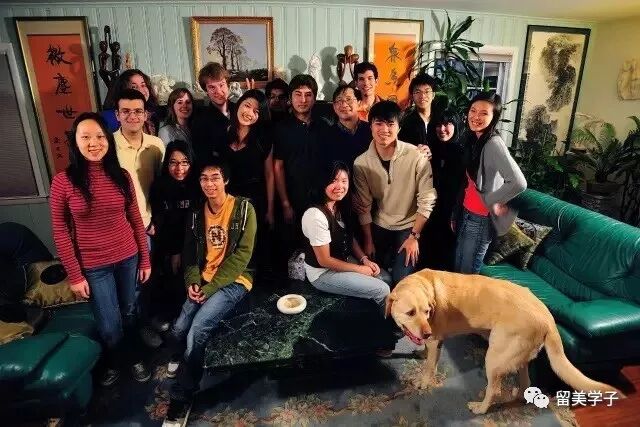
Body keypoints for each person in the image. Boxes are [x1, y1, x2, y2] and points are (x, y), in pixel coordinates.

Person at [49, 112, 151, 386]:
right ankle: (115, 360)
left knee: (129, 311)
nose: (93, 143)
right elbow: (60, 231)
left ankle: (134, 357)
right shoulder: (63, 181)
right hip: (94, 266)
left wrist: (144, 259)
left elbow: (135, 219)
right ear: (75, 142)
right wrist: (75, 275)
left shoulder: (122, 176)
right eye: (85, 137)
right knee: (109, 322)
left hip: (128, 257)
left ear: (108, 139)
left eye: (99, 136)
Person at [163, 157, 257, 426]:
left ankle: (182, 394)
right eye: (204, 178)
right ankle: (183, 358)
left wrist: (212, 286)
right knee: (179, 328)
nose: (209, 183)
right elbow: (190, 253)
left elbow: (243, 256)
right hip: (203, 280)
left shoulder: (244, 209)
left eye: (215, 177)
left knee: (197, 330)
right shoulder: (196, 213)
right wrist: (193, 282)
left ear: (225, 180)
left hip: (236, 280)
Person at [353, 101, 437, 285]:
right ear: (370, 126)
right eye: (378, 123)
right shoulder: (361, 163)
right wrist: (368, 240)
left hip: (409, 227)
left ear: (398, 128)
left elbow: (427, 199)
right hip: (379, 224)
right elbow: (363, 206)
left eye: (390, 124)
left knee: (402, 281)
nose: (384, 129)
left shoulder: (417, 156)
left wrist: (414, 236)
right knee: (376, 278)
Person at [453, 92, 527, 274]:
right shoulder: (474, 139)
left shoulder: (493, 143)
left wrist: (492, 199)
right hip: (467, 212)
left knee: (467, 274)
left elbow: (518, 182)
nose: (476, 116)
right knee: (459, 269)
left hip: (481, 218)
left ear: (494, 117)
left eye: (484, 113)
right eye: (473, 110)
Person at [114, 88, 165, 346]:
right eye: (126, 111)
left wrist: (156, 220)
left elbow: (161, 187)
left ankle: (147, 319)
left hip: (148, 225)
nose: (132, 116)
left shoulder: (156, 145)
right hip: (121, 229)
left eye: (137, 111)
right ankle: (134, 332)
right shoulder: (107, 145)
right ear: (117, 115)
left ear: (146, 115)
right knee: (131, 284)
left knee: (150, 278)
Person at [302, 161, 391, 308]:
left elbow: (349, 237)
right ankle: (385, 322)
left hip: (342, 259)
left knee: (385, 278)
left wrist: (364, 259)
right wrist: (360, 269)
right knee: (383, 289)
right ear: (322, 182)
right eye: (333, 181)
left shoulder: (339, 206)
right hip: (323, 273)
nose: (340, 186)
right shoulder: (315, 215)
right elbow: (324, 260)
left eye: (344, 181)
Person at [273, 74, 328, 260]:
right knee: (293, 248)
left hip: (320, 196)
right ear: (290, 98)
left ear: (315, 98)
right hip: (293, 196)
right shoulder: (281, 128)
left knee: (318, 245)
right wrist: (285, 203)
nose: (303, 100)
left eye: (308, 95)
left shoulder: (323, 127)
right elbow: (278, 167)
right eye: (298, 94)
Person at [149, 140, 199, 325]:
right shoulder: (159, 187)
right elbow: (162, 223)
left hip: (194, 244)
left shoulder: (197, 185)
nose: (179, 168)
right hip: (168, 245)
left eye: (185, 162)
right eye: (173, 162)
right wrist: (174, 251)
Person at [421, 110, 465, 270]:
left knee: (445, 255)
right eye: (438, 125)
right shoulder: (430, 149)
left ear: (456, 126)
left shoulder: (463, 152)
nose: (442, 129)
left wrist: (455, 213)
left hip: (452, 211)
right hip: (429, 209)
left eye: (447, 124)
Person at [191, 62, 235, 163]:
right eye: (212, 87)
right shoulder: (200, 121)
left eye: (221, 85)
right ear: (206, 90)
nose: (218, 91)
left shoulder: (240, 110)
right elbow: (202, 157)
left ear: (228, 85)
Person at [324, 85, 372, 169]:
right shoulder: (326, 135)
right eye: (339, 100)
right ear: (334, 106)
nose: (344, 104)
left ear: (359, 103)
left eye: (348, 99)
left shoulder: (371, 130)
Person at [103, 69, 163, 135]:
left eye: (143, 85)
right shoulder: (110, 118)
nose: (140, 90)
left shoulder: (153, 114)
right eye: (134, 87)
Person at [398, 73, 438, 147]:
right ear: (412, 96)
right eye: (418, 92)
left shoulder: (441, 119)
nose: (422, 96)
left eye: (427, 91)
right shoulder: (406, 122)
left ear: (433, 95)